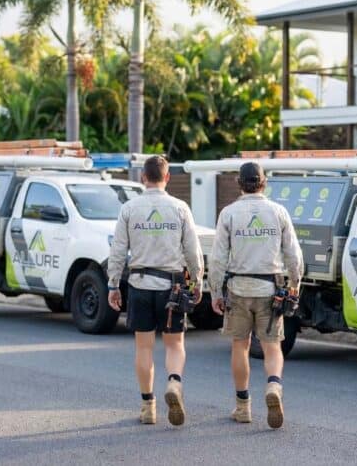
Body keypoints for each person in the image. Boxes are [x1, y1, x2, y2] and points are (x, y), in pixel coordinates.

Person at [106, 155, 203, 426]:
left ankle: (148, 406)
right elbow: (193, 251)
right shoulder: (180, 208)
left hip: (139, 286)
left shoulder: (129, 208)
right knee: (175, 344)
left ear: (142, 178)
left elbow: (117, 251)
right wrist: (197, 282)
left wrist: (113, 284)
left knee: (144, 346)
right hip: (172, 287)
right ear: (167, 177)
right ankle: (173, 382)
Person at [209, 162, 303, 429]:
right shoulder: (279, 212)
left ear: (240, 183)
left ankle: (243, 407)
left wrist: (215, 291)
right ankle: (273, 386)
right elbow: (294, 255)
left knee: (241, 345)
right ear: (264, 182)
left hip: (238, 289)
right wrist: (295, 283)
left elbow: (217, 258)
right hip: (270, 289)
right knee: (273, 346)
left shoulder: (229, 213)